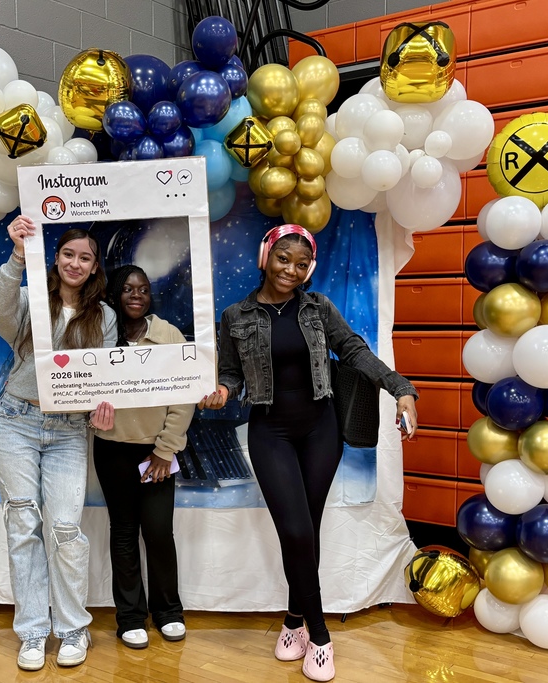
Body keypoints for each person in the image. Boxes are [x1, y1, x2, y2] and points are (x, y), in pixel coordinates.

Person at [198, 224, 418, 682]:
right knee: (295, 531)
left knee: (309, 529)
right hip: (269, 432)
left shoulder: (318, 309)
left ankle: (295, 619)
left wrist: (400, 389)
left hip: (321, 429)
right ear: (266, 257)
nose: (291, 270)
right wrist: (222, 389)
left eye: (301, 264)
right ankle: (319, 636)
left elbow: (354, 351)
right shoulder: (236, 315)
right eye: (283, 259)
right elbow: (232, 373)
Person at [0, 215, 117, 671]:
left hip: (68, 432)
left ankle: (72, 628)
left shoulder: (104, 317)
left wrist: (104, 408)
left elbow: (105, 380)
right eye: (68, 254)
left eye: (85, 257)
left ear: (95, 266)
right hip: (16, 422)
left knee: (65, 530)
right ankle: (33, 632)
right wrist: (18, 254)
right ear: (56, 257)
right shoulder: (29, 302)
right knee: (23, 526)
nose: (75, 263)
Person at [92, 265, 195, 649]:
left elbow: (183, 397)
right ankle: (130, 617)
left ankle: (168, 611)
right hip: (112, 449)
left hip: (157, 453)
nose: (137, 295)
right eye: (128, 289)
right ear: (115, 294)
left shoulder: (168, 335)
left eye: (144, 290)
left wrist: (164, 451)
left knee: (157, 531)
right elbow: (82, 389)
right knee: (123, 533)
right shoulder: (100, 336)